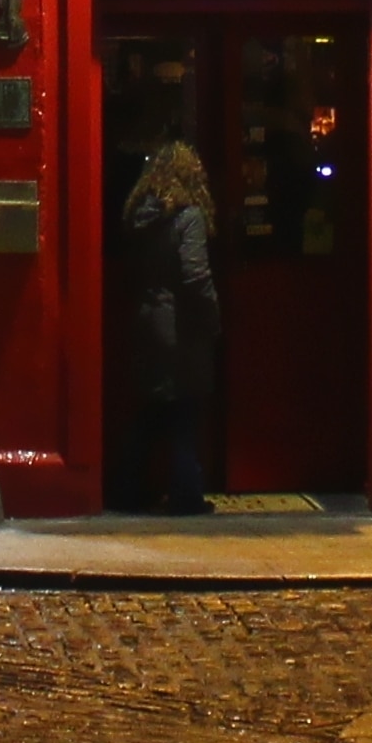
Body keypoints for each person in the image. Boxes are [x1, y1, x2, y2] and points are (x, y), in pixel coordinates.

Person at [122, 139, 221, 515]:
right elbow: (195, 275)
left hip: (148, 319)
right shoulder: (189, 217)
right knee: (185, 411)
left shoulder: (139, 215)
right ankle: (185, 494)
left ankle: (129, 488)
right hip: (180, 326)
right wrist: (213, 317)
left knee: (151, 410)